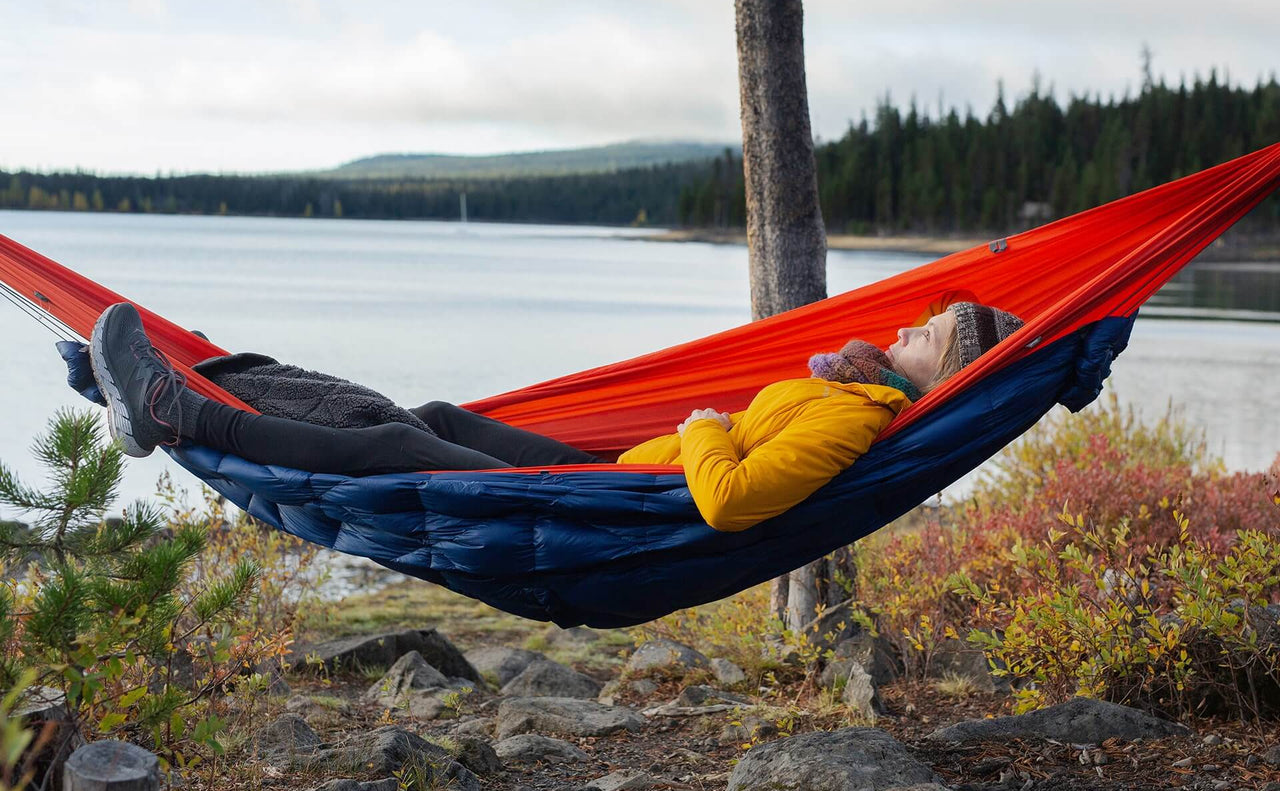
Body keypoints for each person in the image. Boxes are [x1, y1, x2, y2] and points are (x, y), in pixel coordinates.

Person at [85, 300, 1022, 533]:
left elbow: (732, 502)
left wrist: (703, 426)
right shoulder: (852, 389)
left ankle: (180, 410)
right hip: (621, 471)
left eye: (929, 335)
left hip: (619, 506)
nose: (906, 326)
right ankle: (227, 385)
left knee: (397, 447)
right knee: (433, 416)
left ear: (941, 378)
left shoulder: (854, 420)